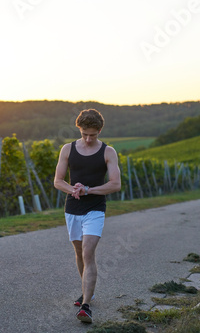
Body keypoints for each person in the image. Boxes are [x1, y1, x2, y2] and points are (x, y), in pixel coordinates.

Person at [54, 109, 121, 323]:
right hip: (72, 208)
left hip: (95, 209)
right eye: (84, 134)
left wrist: (88, 190)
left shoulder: (108, 152)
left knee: (88, 252)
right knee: (79, 252)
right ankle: (86, 292)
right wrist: (72, 189)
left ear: (99, 130)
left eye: (93, 134)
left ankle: (86, 306)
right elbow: (58, 180)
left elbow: (115, 184)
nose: (88, 138)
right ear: (79, 129)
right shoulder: (68, 149)